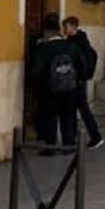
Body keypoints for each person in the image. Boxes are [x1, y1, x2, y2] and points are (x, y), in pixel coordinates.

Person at [31, 12, 86, 154]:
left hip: (50, 89)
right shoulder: (71, 46)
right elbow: (82, 63)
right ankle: (68, 145)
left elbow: (37, 70)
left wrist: (40, 84)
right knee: (67, 116)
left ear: (46, 32)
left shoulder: (44, 49)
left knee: (50, 117)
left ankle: (50, 147)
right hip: (70, 88)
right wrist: (78, 80)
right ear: (59, 31)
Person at [63, 16, 105, 150]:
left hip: (78, 81)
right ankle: (76, 138)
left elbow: (83, 61)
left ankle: (95, 136)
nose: (64, 29)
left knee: (81, 109)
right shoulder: (78, 41)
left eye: (66, 26)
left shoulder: (78, 42)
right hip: (77, 80)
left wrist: (82, 77)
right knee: (75, 109)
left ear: (73, 27)